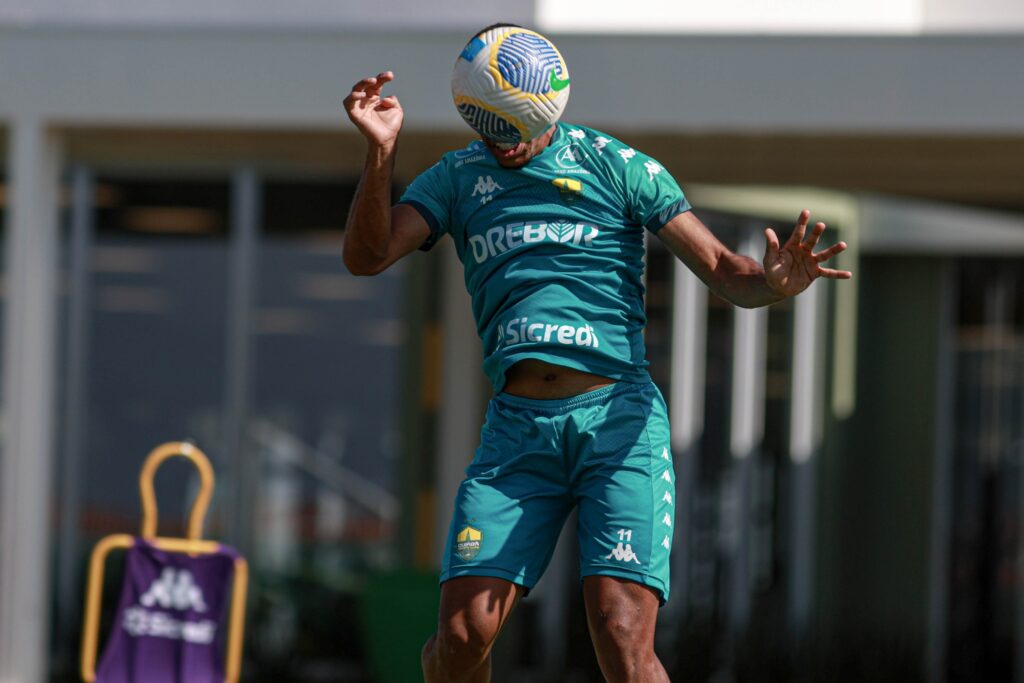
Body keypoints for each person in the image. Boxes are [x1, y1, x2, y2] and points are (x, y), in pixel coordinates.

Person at [342, 25, 851, 683]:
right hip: (517, 434)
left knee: (619, 632)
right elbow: (366, 257)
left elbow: (724, 269)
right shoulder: (457, 178)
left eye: (517, 132)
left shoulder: (617, 166)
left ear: (548, 112)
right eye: (493, 133)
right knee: (463, 636)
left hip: (618, 425)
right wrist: (381, 154)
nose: (506, 146)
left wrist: (774, 283)